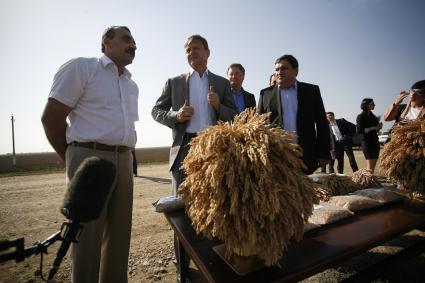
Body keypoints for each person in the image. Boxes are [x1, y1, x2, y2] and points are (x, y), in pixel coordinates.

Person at [41, 26, 138, 283]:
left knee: (119, 238)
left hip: (125, 159)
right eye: (126, 39)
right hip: (89, 158)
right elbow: (51, 118)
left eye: (134, 40)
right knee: (86, 239)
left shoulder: (131, 85)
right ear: (107, 42)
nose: (133, 44)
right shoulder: (83, 68)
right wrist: (73, 158)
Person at [151, 34, 236, 281]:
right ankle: (183, 271)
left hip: (214, 149)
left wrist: (220, 106)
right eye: (188, 50)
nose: (192, 53)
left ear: (208, 52)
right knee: (181, 211)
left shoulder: (221, 84)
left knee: (217, 206)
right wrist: (176, 116)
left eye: (196, 49)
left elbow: (236, 115)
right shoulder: (174, 82)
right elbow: (156, 110)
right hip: (185, 149)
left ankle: (215, 263)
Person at [257, 54, 331, 174]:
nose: (279, 72)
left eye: (284, 68)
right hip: (276, 156)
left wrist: (323, 152)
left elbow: (321, 123)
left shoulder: (311, 91)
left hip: (305, 154)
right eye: (277, 69)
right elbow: (259, 125)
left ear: (295, 71)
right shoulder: (265, 94)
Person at [356, 98, 382, 174]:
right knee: (370, 166)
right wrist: (373, 128)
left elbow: (376, 130)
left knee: (373, 165)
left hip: (375, 140)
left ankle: (370, 180)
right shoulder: (361, 116)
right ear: (366, 105)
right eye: (372, 104)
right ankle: (368, 182)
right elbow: (359, 130)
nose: (374, 105)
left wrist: (379, 127)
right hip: (367, 142)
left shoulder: (372, 116)